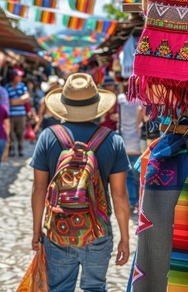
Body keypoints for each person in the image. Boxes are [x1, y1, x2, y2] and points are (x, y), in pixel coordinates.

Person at [30, 73, 131, 292]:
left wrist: (37, 230)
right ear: (96, 106)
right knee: (95, 288)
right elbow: (120, 195)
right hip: (98, 230)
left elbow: (39, 188)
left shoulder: (48, 137)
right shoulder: (113, 140)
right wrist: (125, 237)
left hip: (59, 228)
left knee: (59, 288)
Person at [117, 85, 143, 217]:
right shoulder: (140, 101)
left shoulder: (120, 100)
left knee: (128, 177)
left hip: (124, 145)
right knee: (139, 176)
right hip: (138, 144)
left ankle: (132, 202)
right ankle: (139, 203)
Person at [5, 67, 29, 157]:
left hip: (21, 114)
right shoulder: (7, 87)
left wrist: (15, 101)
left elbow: (27, 98)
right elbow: (9, 102)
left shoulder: (22, 85)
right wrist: (21, 100)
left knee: (20, 132)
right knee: (11, 133)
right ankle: (12, 149)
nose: (20, 78)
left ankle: (20, 148)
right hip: (10, 114)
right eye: (18, 76)